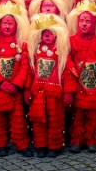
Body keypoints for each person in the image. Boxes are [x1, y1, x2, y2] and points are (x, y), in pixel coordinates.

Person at [0, 2, 32, 157]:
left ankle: (21, 144)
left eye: (11, 23)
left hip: (15, 89)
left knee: (18, 118)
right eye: (5, 23)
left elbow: (25, 65)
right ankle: (1, 144)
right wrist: (0, 82)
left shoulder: (22, 44)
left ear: (17, 25)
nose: (8, 26)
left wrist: (16, 84)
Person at [65, 0, 96, 153]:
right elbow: (67, 59)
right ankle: (77, 139)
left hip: (95, 85)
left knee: (94, 114)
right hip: (78, 83)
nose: (84, 24)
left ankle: (92, 139)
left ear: (94, 23)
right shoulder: (71, 41)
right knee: (78, 114)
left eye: (87, 21)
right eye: (81, 21)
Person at [26, 13, 70, 157]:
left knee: (55, 119)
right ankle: (41, 145)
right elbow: (30, 71)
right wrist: (27, 89)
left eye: (50, 34)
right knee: (39, 120)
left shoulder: (61, 51)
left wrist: (68, 92)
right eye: (44, 34)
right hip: (38, 92)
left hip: (55, 93)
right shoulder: (36, 51)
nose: (47, 36)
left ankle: (55, 146)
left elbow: (68, 72)